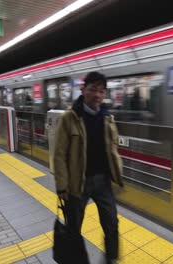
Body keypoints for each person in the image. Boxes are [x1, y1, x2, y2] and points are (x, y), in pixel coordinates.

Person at [54, 72, 123, 264]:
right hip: (78, 183)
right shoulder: (70, 117)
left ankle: (111, 259)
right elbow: (59, 154)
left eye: (101, 91)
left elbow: (113, 148)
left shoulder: (107, 116)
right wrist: (62, 186)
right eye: (93, 89)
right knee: (74, 227)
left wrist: (118, 175)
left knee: (112, 223)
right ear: (83, 90)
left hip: (103, 181)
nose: (97, 95)